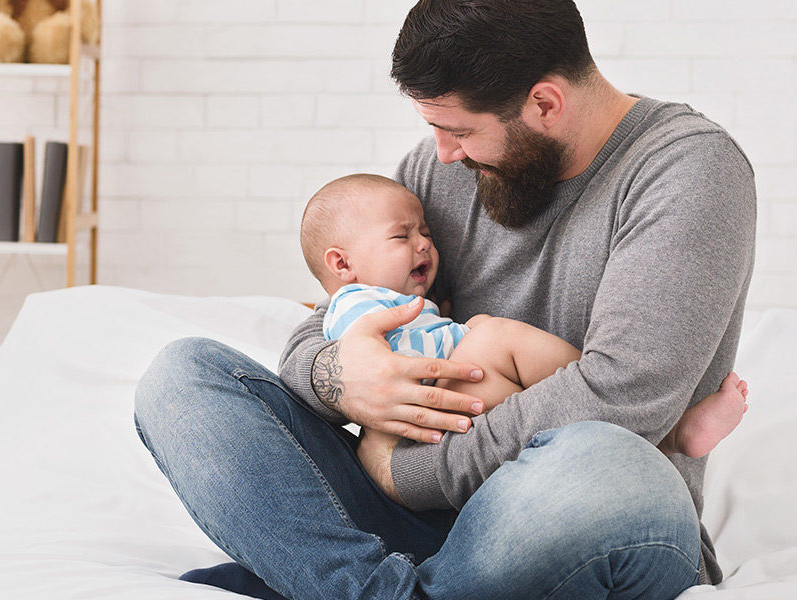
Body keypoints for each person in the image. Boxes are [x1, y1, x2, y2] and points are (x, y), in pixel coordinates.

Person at [133, 1, 756, 598]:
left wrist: (397, 473)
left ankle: (317, 580)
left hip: (587, 515)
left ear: (544, 102)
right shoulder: (444, 171)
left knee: (602, 459)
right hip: (433, 522)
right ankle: (377, 592)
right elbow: (337, 311)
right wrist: (342, 377)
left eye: (458, 131)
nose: (443, 153)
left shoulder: (687, 169)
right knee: (182, 379)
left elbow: (621, 400)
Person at [304, 173, 749, 460]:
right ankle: (659, 428)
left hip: (446, 421)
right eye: (402, 236)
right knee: (490, 335)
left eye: (426, 232)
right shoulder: (356, 306)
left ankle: (633, 416)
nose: (423, 244)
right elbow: (392, 367)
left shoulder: (686, 168)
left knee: (483, 339)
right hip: (420, 426)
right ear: (342, 266)